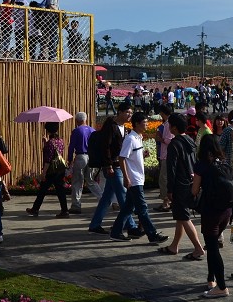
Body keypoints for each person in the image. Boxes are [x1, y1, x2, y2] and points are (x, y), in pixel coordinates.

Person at [109, 111, 169, 243]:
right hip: (134, 180)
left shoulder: (138, 137)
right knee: (142, 209)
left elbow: (131, 157)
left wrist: (142, 155)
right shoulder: (130, 139)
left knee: (128, 208)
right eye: (144, 122)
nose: (147, 124)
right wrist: (126, 177)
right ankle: (152, 235)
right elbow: (122, 158)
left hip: (138, 179)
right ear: (136, 124)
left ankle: (116, 232)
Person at [192, 134, 233, 298]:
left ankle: (221, 287)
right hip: (227, 211)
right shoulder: (225, 163)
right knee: (212, 246)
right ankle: (211, 279)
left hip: (211, 212)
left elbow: (194, 191)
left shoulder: (201, 165)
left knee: (212, 248)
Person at [158, 112, 206, 259]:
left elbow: (171, 169)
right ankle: (174, 246)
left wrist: (169, 190)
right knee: (180, 216)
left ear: (174, 127)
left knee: (184, 217)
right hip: (190, 182)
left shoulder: (175, 144)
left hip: (179, 185)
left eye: (170, 125)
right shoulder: (190, 140)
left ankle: (198, 248)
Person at [88, 102, 139, 236]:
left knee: (107, 198)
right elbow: (106, 147)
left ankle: (95, 224)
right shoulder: (111, 126)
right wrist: (108, 165)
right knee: (123, 196)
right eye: (127, 112)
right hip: (112, 166)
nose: (130, 115)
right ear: (120, 112)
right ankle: (131, 226)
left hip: (117, 165)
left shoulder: (124, 128)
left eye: (131, 113)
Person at [26, 122, 70, 218]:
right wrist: (46, 142)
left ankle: (35, 209)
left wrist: (44, 172)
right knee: (60, 190)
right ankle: (65, 210)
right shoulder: (60, 140)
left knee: (42, 190)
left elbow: (48, 159)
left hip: (51, 170)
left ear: (48, 130)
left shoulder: (50, 143)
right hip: (60, 169)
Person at [67, 111, 99, 215]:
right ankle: (104, 198)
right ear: (85, 119)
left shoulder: (76, 131)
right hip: (91, 157)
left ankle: (76, 205)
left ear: (77, 120)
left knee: (77, 181)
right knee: (91, 181)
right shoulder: (92, 130)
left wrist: (70, 159)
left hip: (80, 156)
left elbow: (71, 146)